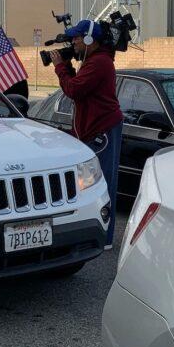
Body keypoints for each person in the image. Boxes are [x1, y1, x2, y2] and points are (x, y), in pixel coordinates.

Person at [54, 19, 123, 248]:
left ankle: (105, 238)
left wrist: (60, 67)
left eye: (76, 37)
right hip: (94, 128)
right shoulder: (93, 61)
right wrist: (69, 68)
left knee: (102, 183)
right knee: (91, 183)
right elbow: (80, 88)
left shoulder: (99, 62)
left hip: (102, 129)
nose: (73, 42)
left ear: (89, 39)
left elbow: (74, 89)